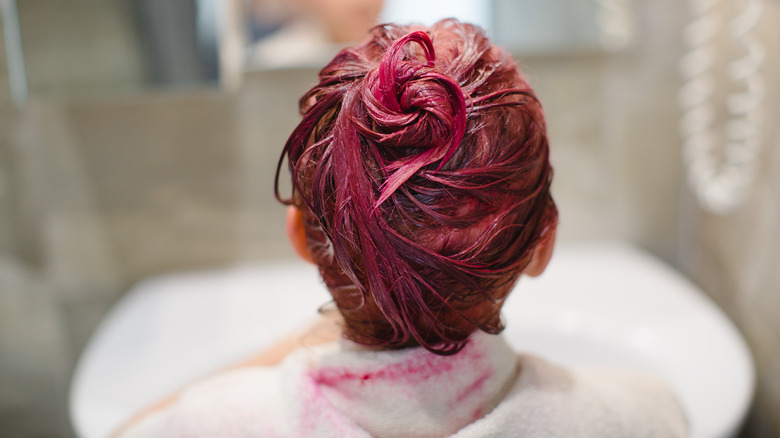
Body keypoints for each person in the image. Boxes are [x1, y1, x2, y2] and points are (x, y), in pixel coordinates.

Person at [116, 19, 686, 437]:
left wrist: (293, 345)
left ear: (299, 238)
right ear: (543, 246)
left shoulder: (212, 425)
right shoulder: (644, 417)